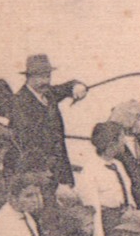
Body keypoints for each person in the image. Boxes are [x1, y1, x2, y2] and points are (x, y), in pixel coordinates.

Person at [9, 54, 86, 186]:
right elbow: (27, 145)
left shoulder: (48, 94)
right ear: (28, 77)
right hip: (40, 172)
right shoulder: (20, 102)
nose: (45, 81)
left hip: (61, 169)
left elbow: (67, 87)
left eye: (47, 76)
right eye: (39, 76)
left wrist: (77, 86)